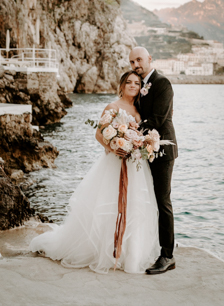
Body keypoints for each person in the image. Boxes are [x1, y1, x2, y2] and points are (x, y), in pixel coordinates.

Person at [29, 71, 160, 274]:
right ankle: (105, 251)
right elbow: (99, 133)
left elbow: (140, 136)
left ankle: (130, 254)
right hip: (114, 164)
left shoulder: (138, 110)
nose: (133, 86)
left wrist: (139, 147)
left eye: (136, 83)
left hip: (135, 167)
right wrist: (113, 146)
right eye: (129, 82)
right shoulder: (112, 107)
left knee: (134, 207)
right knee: (108, 206)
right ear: (122, 85)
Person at [129, 46, 178, 275]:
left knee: (163, 202)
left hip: (162, 150)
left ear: (149, 59)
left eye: (139, 59)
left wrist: (130, 133)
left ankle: (167, 256)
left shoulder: (162, 83)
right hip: (144, 150)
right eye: (132, 62)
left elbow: (157, 119)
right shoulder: (138, 85)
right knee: (146, 200)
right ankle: (149, 246)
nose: (136, 64)